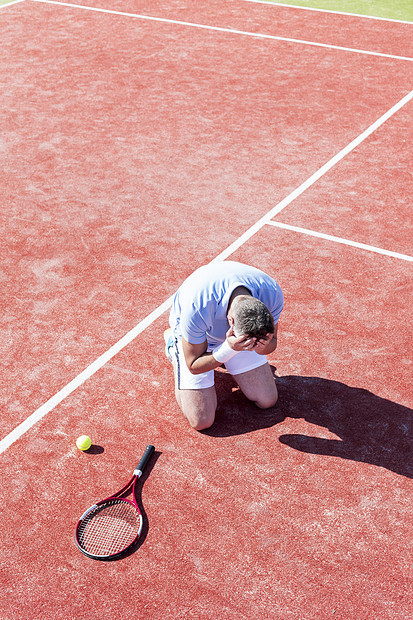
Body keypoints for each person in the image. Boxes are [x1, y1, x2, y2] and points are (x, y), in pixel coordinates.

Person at [165, 261, 284, 431]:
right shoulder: (197, 307)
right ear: (231, 322)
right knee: (202, 420)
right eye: (247, 341)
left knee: (267, 400)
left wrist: (262, 347)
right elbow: (194, 365)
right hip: (198, 336)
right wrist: (229, 349)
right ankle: (173, 347)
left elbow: (273, 343)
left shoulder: (272, 295)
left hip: (235, 336)